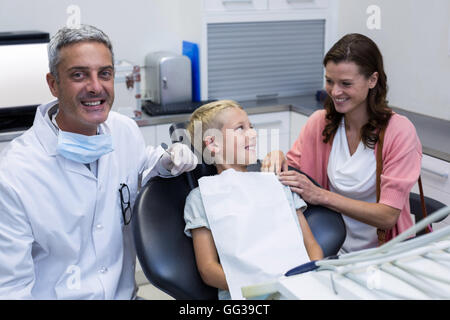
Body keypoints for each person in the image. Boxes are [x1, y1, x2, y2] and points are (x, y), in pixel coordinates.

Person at [0, 25, 197, 299]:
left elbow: (142, 165)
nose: (95, 87)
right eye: (79, 75)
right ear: (53, 84)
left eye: (104, 74)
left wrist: (166, 162)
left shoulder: (124, 131)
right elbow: (10, 290)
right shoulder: (14, 175)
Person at [262, 33, 422, 253]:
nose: (335, 92)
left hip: (381, 255)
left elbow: (388, 216)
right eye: (329, 81)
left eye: (346, 83)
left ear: (372, 80)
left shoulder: (399, 132)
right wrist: (277, 159)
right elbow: (295, 180)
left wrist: (322, 196)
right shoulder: (319, 123)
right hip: (328, 250)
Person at [183, 100, 323, 300]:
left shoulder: (278, 185)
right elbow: (208, 269)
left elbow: (311, 246)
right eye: (240, 128)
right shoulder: (201, 199)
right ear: (213, 143)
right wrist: (263, 290)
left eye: (251, 127)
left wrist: (310, 280)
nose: (253, 134)